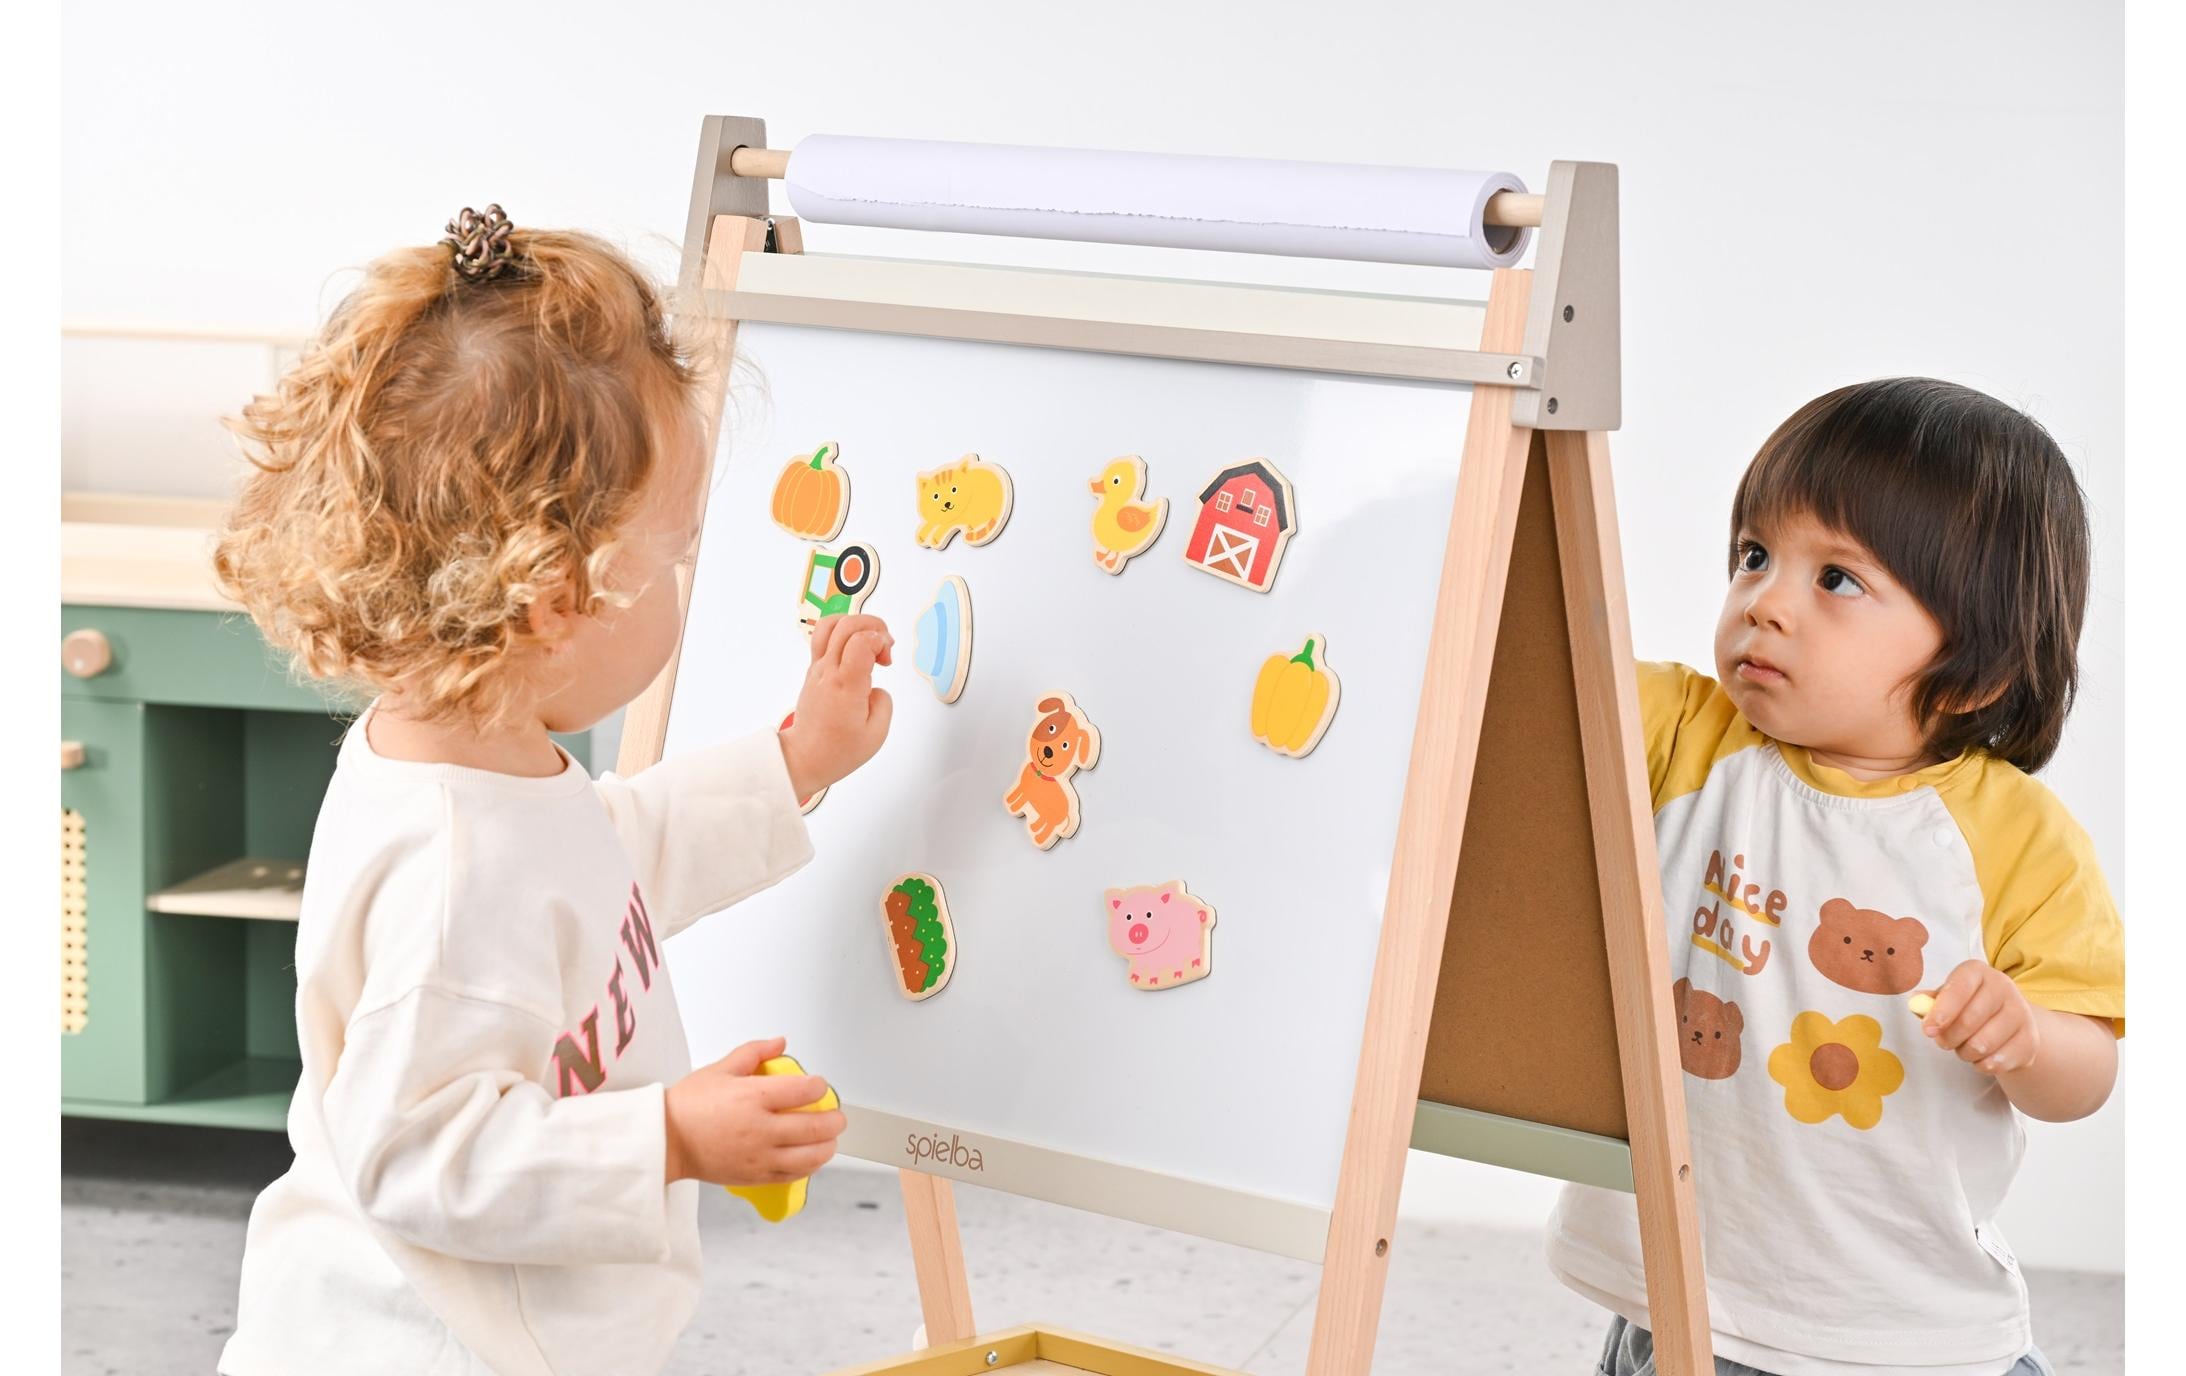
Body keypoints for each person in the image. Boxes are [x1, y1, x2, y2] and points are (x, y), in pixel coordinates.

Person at [211, 206, 892, 1375]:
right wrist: (666, 1134)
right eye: (672, 554)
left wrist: (796, 762)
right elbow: (420, 1152)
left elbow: (603, 857)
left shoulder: (486, 765)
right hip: (427, 1349)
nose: (687, 577)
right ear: (554, 601)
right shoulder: (447, 870)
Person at [1548, 378, 2125, 1376]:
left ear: (1978, 667)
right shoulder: (1688, 736)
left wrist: (2025, 1035)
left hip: (1897, 1332)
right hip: (1679, 1299)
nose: (1762, 601)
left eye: (1836, 579)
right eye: (1753, 555)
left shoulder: (2012, 834)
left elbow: (2085, 1074)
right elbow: (1537, 668)